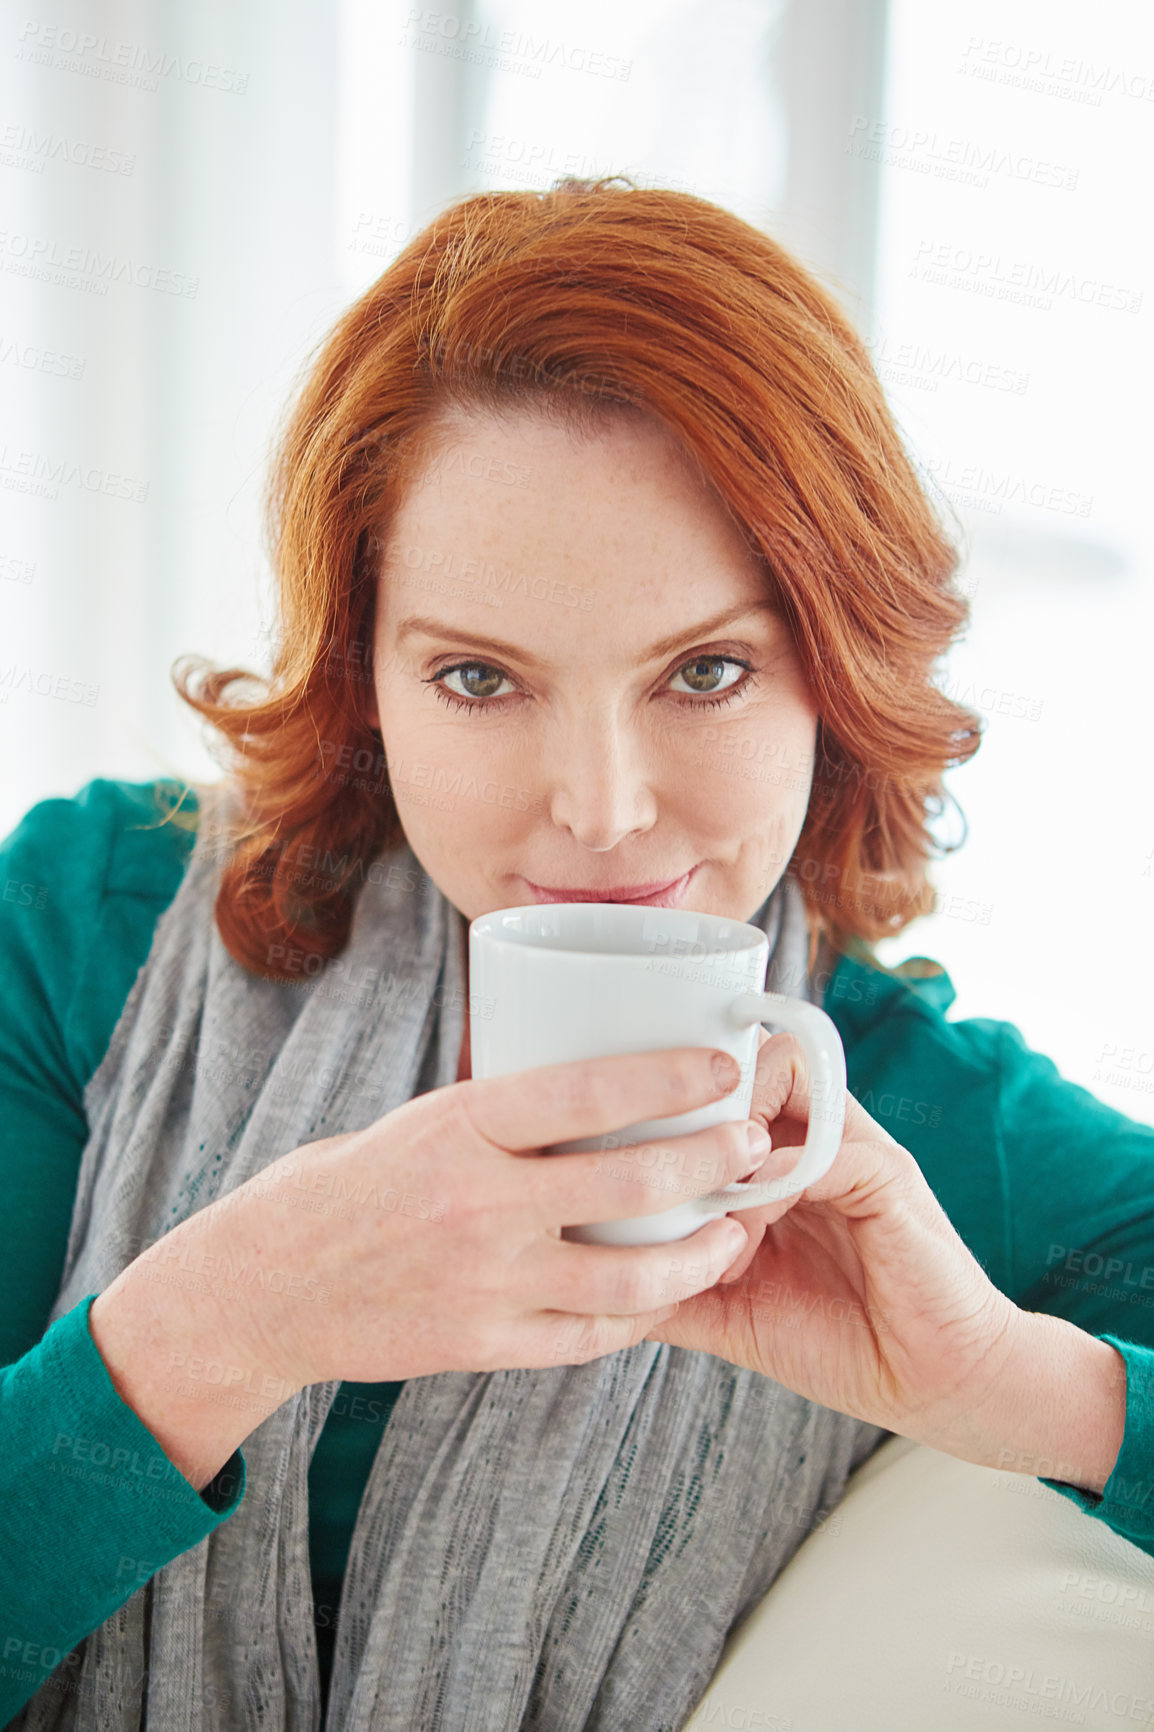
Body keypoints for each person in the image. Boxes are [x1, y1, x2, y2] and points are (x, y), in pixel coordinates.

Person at [1, 175, 1151, 1731]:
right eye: (480, 677)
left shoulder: (909, 1114)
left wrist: (1016, 1389)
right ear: (364, 675)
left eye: (705, 670)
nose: (602, 813)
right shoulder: (99, 926)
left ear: (833, 665)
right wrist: (221, 1321)